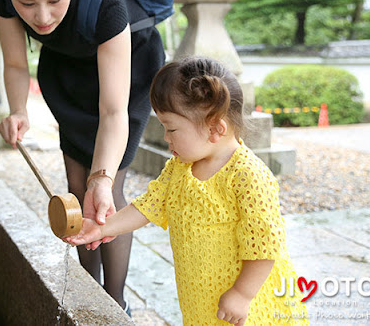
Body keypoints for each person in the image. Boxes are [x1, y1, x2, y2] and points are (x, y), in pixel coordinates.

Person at [0, 0, 165, 313]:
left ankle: (116, 302)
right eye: (26, 3)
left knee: (105, 190)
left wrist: (102, 177)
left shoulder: (107, 3)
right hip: (67, 69)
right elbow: (16, 64)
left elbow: (113, 109)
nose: (42, 17)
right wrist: (17, 109)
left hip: (126, 70)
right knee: (75, 186)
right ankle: (88, 294)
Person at [66, 57, 310, 325]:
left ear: (216, 128)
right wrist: (103, 228)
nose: (166, 138)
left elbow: (264, 245)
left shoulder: (248, 176)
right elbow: (149, 205)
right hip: (201, 299)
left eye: (171, 129)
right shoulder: (180, 167)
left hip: (250, 303)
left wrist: (242, 293)